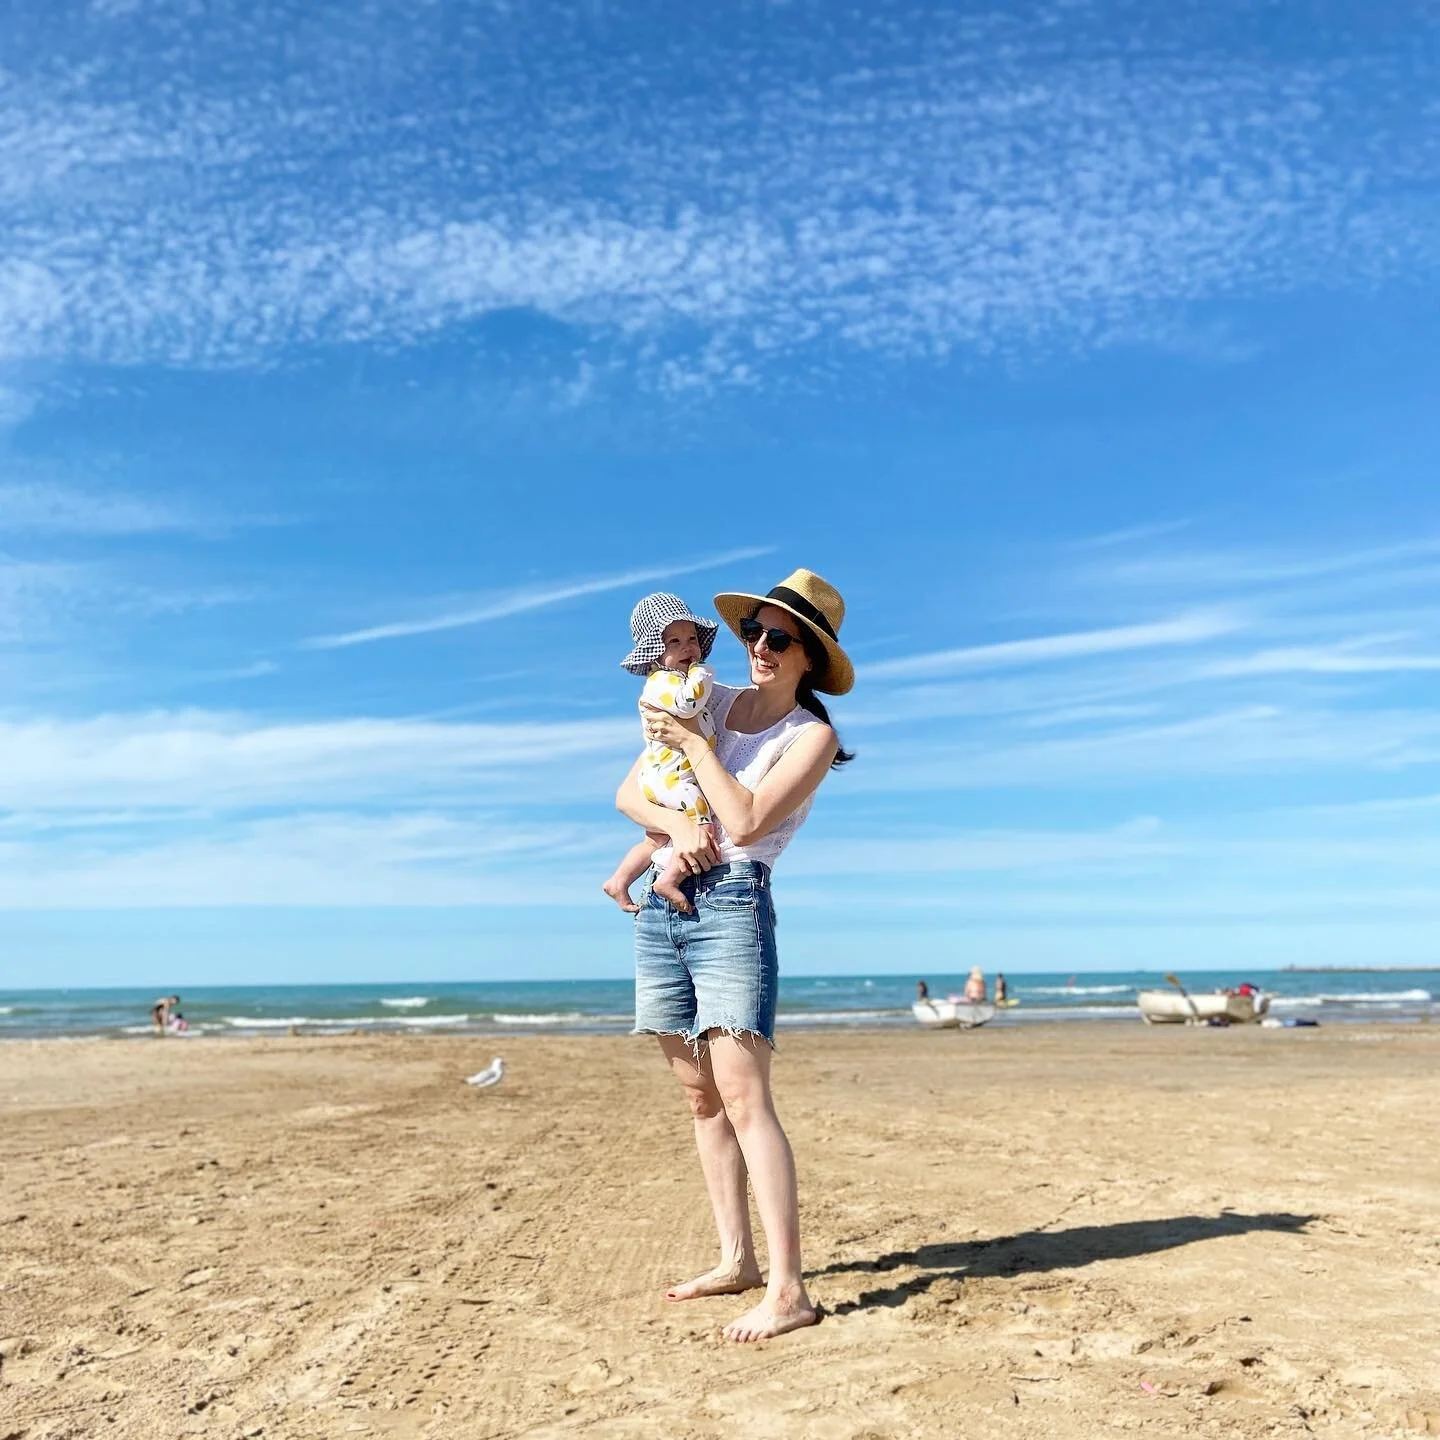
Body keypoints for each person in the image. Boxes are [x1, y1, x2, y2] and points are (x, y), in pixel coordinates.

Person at [615, 567, 854, 1343]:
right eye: (754, 631)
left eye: (778, 638)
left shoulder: (810, 738)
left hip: (733, 905)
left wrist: (694, 744)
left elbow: (746, 821)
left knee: (747, 1098)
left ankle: (789, 1289)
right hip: (665, 903)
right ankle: (737, 1261)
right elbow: (629, 793)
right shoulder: (707, 697)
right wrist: (674, 833)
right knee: (700, 1099)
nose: (760, 645)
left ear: (808, 657)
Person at [603, 593, 721, 914]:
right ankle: (669, 880)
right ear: (655, 654)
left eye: (692, 639)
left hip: (661, 777)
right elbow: (689, 703)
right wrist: (703, 674)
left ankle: (619, 881)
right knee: (704, 827)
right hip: (674, 779)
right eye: (674, 641)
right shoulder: (662, 682)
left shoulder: (670, 679)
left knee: (656, 838)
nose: (687, 647)